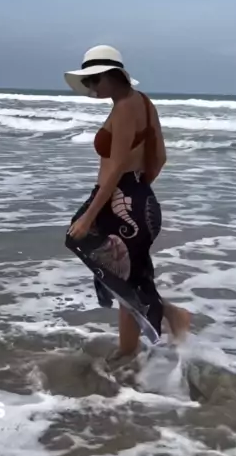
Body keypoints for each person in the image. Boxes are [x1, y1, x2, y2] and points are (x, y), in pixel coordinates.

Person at [64, 44, 190, 359]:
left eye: (94, 79)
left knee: (79, 238)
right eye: (87, 81)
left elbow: (117, 167)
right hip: (138, 199)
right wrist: (139, 191)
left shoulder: (123, 109)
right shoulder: (143, 102)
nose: (91, 87)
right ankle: (128, 350)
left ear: (112, 75)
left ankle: (171, 315)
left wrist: (89, 216)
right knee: (126, 277)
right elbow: (159, 157)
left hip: (119, 201)